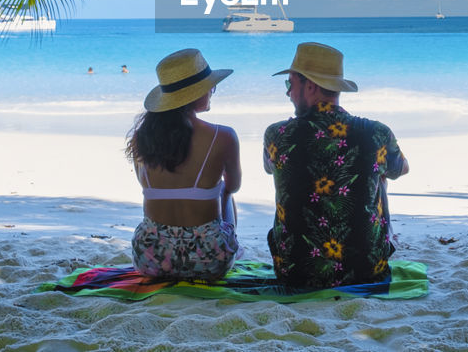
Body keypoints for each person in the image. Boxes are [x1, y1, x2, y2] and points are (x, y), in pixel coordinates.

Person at [264, 42, 409, 288]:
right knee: (378, 172)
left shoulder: (277, 134)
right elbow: (402, 169)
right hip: (366, 269)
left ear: (309, 86)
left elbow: (270, 168)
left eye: (290, 84)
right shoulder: (376, 133)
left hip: (295, 270)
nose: (288, 92)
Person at [126, 49, 241, 280]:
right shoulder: (224, 136)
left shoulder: (141, 138)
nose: (212, 91)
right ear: (194, 94)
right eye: (210, 86)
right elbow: (234, 186)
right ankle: (230, 246)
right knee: (224, 191)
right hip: (209, 261)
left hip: (150, 259)